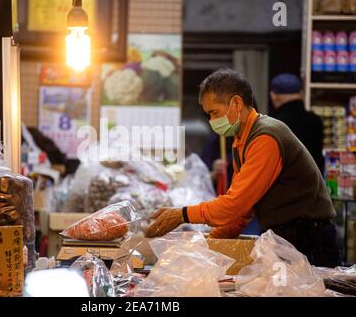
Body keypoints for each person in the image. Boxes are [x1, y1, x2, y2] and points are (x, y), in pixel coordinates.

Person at [145, 68, 341, 268]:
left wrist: (183, 214)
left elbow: (235, 205)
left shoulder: (266, 137)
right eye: (209, 115)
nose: (212, 121)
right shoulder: (242, 140)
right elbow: (242, 209)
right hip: (287, 237)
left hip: (311, 240)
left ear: (236, 103)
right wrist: (209, 244)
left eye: (214, 113)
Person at [270, 73, 325, 173]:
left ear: (274, 96)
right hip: (314, 184)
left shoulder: (275, 124)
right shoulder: (316, 121)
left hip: (287, 186)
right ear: (301, 94)